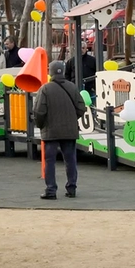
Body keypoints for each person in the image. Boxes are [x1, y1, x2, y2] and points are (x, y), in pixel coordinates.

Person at [33, 60, 86, 200]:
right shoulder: (72, 87)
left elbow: (39, 111)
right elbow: (81, 107)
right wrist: (72, 118)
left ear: (50, 72)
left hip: (50, 131)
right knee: (70, 160)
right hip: (69, 130)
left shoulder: (45, 89)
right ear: (62, 71)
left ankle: (51, 190)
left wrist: (41, 125)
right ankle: (71, 188)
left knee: (50, 161)